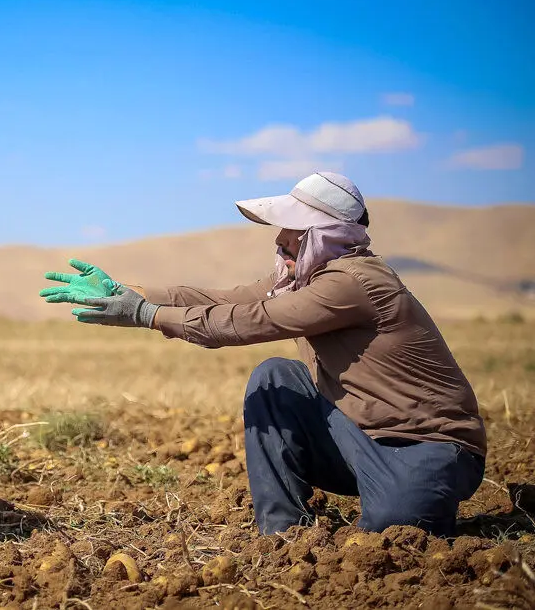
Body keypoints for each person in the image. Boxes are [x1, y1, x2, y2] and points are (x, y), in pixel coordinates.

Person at [39, 172, 486, 537]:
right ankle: (283, 535)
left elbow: (249, 321)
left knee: (393, 536)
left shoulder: (351, 283)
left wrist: (147, 315)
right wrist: (127, 292)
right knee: (276, 379)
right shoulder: (304, 279)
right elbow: (221, 298)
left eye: (294, 232)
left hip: (428, 446)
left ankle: (408, 503)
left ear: (326, 235)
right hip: (359, 437)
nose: (281, 241)